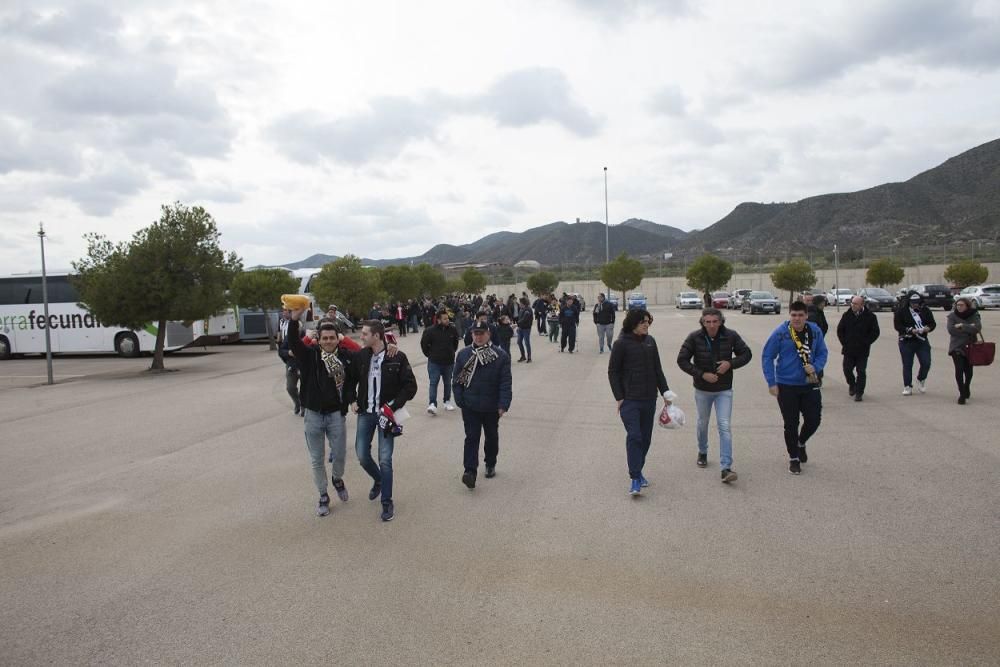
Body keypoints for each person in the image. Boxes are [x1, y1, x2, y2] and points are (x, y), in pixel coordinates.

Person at [285, 313, 361, 517]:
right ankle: (323, 495)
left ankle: (337, 479)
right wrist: (294, 321)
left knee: (340, 455)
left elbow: (362, 353)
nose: (328, 341)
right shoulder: (309, 356)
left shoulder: (345, 356)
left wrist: (348, 340)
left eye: (332, 338)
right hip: (313, 415)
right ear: (319, 339)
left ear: (338, 339)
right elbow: (293, 343)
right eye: (324, 338)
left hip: (336, 414)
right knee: (317, 460)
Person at [676, 308, 752, 483]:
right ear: (702, 323)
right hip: (703, 390)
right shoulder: (694, 337)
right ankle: (702, 451)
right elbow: (682, 360)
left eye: (714, 321)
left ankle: (726, 467)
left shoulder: (731, 335)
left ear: (721, 321)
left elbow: (746, 354)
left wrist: (730, 364)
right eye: (707, 322)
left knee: (724, 426)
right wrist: (701, 374)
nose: (711, 325)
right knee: (703, 423)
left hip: (724, 390)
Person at [354, 320, 417, 522]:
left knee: (385, 459)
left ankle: (387, 502)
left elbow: (410, 387)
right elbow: (349, 381)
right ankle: (379, 480)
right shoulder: (362, 356)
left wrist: (392, 406)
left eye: (364, 334)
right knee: (362, 455)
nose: (361, 337)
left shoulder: (397, 357)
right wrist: (352, 400)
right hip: (365, 413)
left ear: (377, 336)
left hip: (385, 416)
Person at [608, 308, 675, 496]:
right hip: (630, 400)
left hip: (649, 399)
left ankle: (638, 470)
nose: (646, 324)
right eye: (642, 321)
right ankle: (635, 478)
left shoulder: (650, 342)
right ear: (632, 323)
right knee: (635, 436)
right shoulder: (621, 344)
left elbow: (657, 369)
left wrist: (665, 392)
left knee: (645, 439)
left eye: (648, 321)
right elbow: (613, 372)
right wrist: (619, 397)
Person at [761, 301, 828, 475]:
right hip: (786, 385)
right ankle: (794, 458)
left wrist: (817, 366)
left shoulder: (815, 331)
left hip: (809, 383)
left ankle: (801, 442)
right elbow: (767, 356)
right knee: (791, 424)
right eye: (793, 315)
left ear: (806, 315)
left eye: (800, 315)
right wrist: (771, 382)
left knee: (814, 420)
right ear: (789, 315)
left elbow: (822, 352)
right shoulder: (781, 333)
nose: (797, 318)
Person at [453, 321, 512, 488]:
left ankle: (490, 462)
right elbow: (456, 380)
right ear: (471, 335)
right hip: (470, 405)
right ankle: (470, 471)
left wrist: (503, 404)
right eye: (475, 333)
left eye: (481, 333)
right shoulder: (464, 354)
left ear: (488, 334)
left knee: (491, 437)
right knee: (471, 437)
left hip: (491, 406)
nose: (478, 337)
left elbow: (505, 383)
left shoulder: (500, 356)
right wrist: (459, 399)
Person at [836, 296, 880, 402]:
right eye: (852, 303)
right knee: (847, 369)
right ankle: (852, 384)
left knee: (861, 371)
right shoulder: (847, 315)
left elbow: (875, 332)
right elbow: (840, 330)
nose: (853, 305)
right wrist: (844, 342)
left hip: (862, 350)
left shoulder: (870, 317)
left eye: (855, 304)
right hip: (849, 349)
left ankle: (859, 392)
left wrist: (866, 342)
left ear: (862, 305)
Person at [894, 292, 936, 395]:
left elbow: (932, 323)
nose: (915, 305)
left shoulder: (925, 310)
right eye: (913, 303)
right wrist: (910, 330)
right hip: (906, 341)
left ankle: (921, 379)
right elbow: (897, 326)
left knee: (926, 363)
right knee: (907, 364)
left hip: (922, 340)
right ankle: (907, 386)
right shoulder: (901, 311)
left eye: (917, 302)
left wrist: (928, 328)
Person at [420, 307, 460, 416]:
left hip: (449, 362)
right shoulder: (429, 331)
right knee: (433, 383)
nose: (447, 320)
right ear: (438, 320)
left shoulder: (452, 329)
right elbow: (424, 345)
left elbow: (455, 343)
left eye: (447, 318)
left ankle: (447, 401)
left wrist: (451, 352)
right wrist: (430, 355)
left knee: (448, 383)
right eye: (445, 319)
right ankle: (432, 404)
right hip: (434, 362)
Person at [946, 297, 982, 404]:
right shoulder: (952, 316)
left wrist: (962, 326)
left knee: (968, 371)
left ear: (967, 306)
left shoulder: (974, 315)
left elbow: (977, 328)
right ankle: (961, 394)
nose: (959, 307)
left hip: (970, 346)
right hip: (956, 346)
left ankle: (967, 386)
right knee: (959, 369)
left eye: (962, 305)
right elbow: (951, 330)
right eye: (958, 305)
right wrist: (969, 328)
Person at [277, 308, 303, 415]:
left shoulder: (307, 335)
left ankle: (304, 406)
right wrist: (288, 353)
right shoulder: (289, 337)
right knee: (290, 387)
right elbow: (281, 351)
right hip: (291, 365)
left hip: (304, 365)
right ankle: (297, 403)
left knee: (306, 387)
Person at [515, 297, 533, 363]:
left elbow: (524, 319)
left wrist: (516, 324)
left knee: (527, 343)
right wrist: (518, 326)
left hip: (526, 329)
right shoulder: (521, 309)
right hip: (520, 328)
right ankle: (523, 356)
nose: (519, 304)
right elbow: (520, 318)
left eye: (520, 302)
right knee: (519, 342)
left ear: (523, 303)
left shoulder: (528, 310)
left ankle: (529, 357)